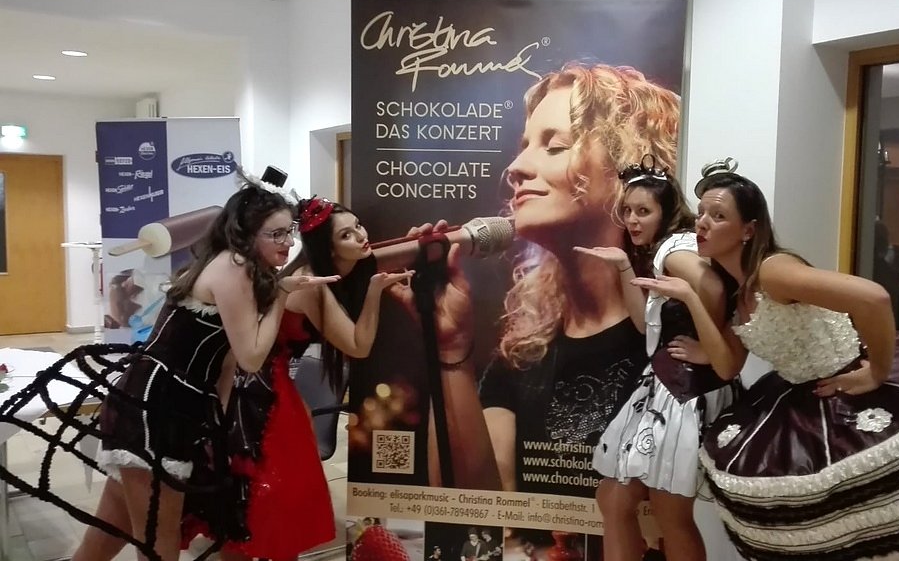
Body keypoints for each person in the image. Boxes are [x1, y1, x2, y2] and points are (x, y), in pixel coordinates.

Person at [631, 159, 899, 560]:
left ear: (748, 230)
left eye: (718, 216)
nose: (702, 224)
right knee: (852, 530)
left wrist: (876, 372)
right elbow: (728, 366)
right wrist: (692, 299)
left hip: (850, 392)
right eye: (701, 214)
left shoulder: (773, 272)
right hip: (803, 400)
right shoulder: (737, 289)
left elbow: (873, 298)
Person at [0, 167, 338, 561]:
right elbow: (251, 357)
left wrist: (217, 429)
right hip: (155, 412)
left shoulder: (241, 268)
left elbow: (226, 363)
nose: (288, 242)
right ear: (246, 234)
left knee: (111, 531)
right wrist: (281, 295)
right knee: (159, 539)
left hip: (165, 406)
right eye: (276, 234)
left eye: (289, 232)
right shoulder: (235, 266)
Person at [391, 63, 681, 496]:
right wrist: (449, 352)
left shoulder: (672, 335)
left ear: (627, 167)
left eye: (555, 146)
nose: (516, 167)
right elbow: (475, 498)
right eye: (525, 145)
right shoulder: (525, 351)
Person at [197, 196, 412, 561]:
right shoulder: (309, 283)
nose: (361, 237)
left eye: (358, 226)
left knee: (263, 501)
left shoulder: (317, 275)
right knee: (270, 500)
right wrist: (375, 292)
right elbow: (358, 345)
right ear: (329, 248)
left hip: (264, 387)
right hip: (262, 394)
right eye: (346, 235)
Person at [581, 157, 738, 561]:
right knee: (614, 498)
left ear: (665, 212)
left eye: (643, 211)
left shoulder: (674, 248)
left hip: (686, 391)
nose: (632, 220)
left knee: (671, 514)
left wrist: (710, 347)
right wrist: (622, 267)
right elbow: (644, 327)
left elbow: (715, 290)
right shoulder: (663, 250)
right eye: (627, 211)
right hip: (664, 385)